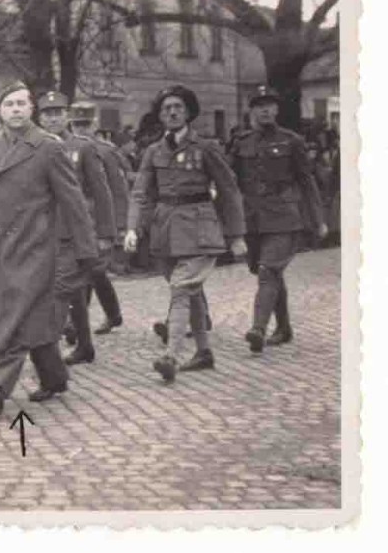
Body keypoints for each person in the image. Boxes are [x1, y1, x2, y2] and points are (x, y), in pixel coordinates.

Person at [0, 82, 96, 415]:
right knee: (31, 315)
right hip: (1, 249)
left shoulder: (47, 147)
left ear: (31, 110)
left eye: (21, 104)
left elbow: (73, 202)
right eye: (9, 104)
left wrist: (87, 250)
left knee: (18, 313)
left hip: (38, 246)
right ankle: (54, 376)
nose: (16, 109)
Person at [125, 85, 246, 383]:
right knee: (190, 291)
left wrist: (237, 235)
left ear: (189, 112)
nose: (172, 112)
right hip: (165, 231)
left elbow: (229, 190)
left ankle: (171, 356)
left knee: (181, 287)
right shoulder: (153, 152)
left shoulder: (205, 148)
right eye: (166, 109)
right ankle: (204, 352)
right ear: (160, 116)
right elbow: (141, 193)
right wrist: (132, 227)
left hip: (200, 228)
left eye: (178, 107)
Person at [227, 86, 326, 351]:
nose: (265, 109)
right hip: (253, 219)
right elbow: (228, 182)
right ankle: (283, 327)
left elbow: (307, 181)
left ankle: (258, 329)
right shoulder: (241, 143)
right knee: (270, 272)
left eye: (270, 104)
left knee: (268, 270)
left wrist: (318, 219)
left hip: (284, 216)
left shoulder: (292, 141)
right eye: (260, 105)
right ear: (252, 110)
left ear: (277, 109)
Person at [37, 92, 116, 366]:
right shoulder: (35, 146)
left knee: (63, 286)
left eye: (58, 113)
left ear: (67, 116)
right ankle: (84, 344)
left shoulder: (82, 148)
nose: (53, 119)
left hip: (73, 229)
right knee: (72, 290)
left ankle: (53, 349)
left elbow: (100, 191)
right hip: (43, 228)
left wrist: (105, 233)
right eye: (47, 114)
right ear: (40, 117)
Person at [71, 102, 129, 334]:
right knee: (91, 271)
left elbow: (117, 189)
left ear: (94, 124)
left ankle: (76, 324)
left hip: (99, 220)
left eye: (85, 124)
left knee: (91, 270)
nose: (81, 129)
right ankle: (112, 314)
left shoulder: (106, 150)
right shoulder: (68, 148)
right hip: (78, 219)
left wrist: (120, 226)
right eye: (77, 124)